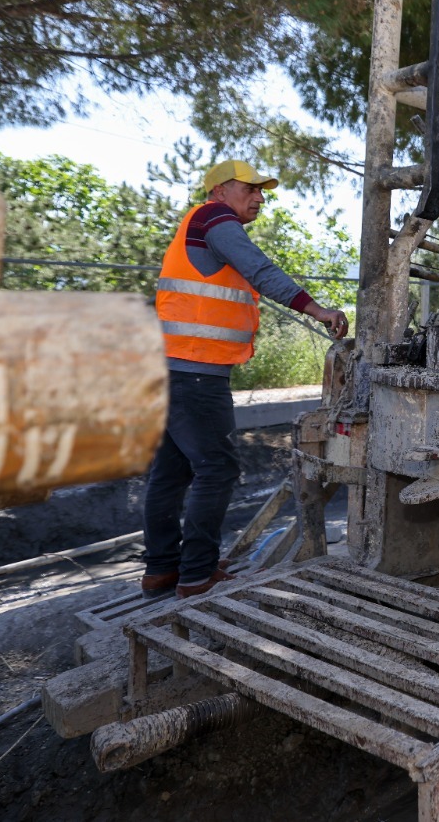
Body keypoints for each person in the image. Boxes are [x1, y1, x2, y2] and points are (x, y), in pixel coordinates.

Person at [142, 160, 349, 599]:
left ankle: (161, 570)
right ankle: (195, 574)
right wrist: (318, 310)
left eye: (262, 191)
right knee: (217, 469)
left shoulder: (198, 225)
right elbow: (261, 269)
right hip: (196, 373)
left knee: (171, 472)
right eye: (250, 189)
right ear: (219, 190)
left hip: (172, 367)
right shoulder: (215, 219)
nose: (259, 198)